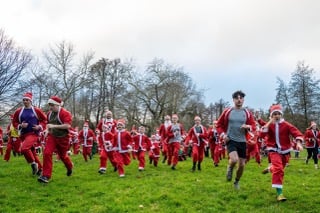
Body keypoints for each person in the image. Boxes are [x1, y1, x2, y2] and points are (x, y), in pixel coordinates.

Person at [260, 104, 304, 201]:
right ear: (271, 116)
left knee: (278, 168)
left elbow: (297, 133)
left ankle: (270, 169)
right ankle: (280, 194)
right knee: (279, 170)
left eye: (278, 114)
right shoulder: (269, 125)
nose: (276, 116)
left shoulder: (287, 125)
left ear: (281, 115)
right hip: (273, 150)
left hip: (285, 151)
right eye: (274, 114)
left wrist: (299, 143)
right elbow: (261, 135)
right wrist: (268, 123)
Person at [216, 90, 256, 190]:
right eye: (237, 98)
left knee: (242, 165)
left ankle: (236, 181)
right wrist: (223, 135)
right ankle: (230, 167)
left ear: (243, 100)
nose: (239, 100)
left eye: (241, 98)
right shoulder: (227, 111)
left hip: (242, 141)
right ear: (233, 100)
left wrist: (247, 126)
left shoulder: (247, 112)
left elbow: (254, 126)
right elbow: (219, 125)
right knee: (234, 159)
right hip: (230, 139)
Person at [38, 96, 74, 183]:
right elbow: (48, 125)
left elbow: (67, 126)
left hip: (63, 138)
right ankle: (45, 176)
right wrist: (46, 130)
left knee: (63, 156)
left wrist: (53, 126)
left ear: (58, 105)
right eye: (50, 105)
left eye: (52, 105)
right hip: (52, 136)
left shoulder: (65, 113)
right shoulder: (49, 114)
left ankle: (69, 167)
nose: (50, 107)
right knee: (47, 153)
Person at [12, 92, 47, 176]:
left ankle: (33, 164)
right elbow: (14, 122)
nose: (25, 101)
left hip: (33, 133)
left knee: (24, 149)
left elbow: (45, 120)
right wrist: (20, 125)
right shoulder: (19, 111)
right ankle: (41, 169)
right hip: (23, 134)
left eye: (27, 100)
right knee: (32, 152)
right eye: (23, 100)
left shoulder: (36, 110)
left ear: (30, 101)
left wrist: (39, 126)